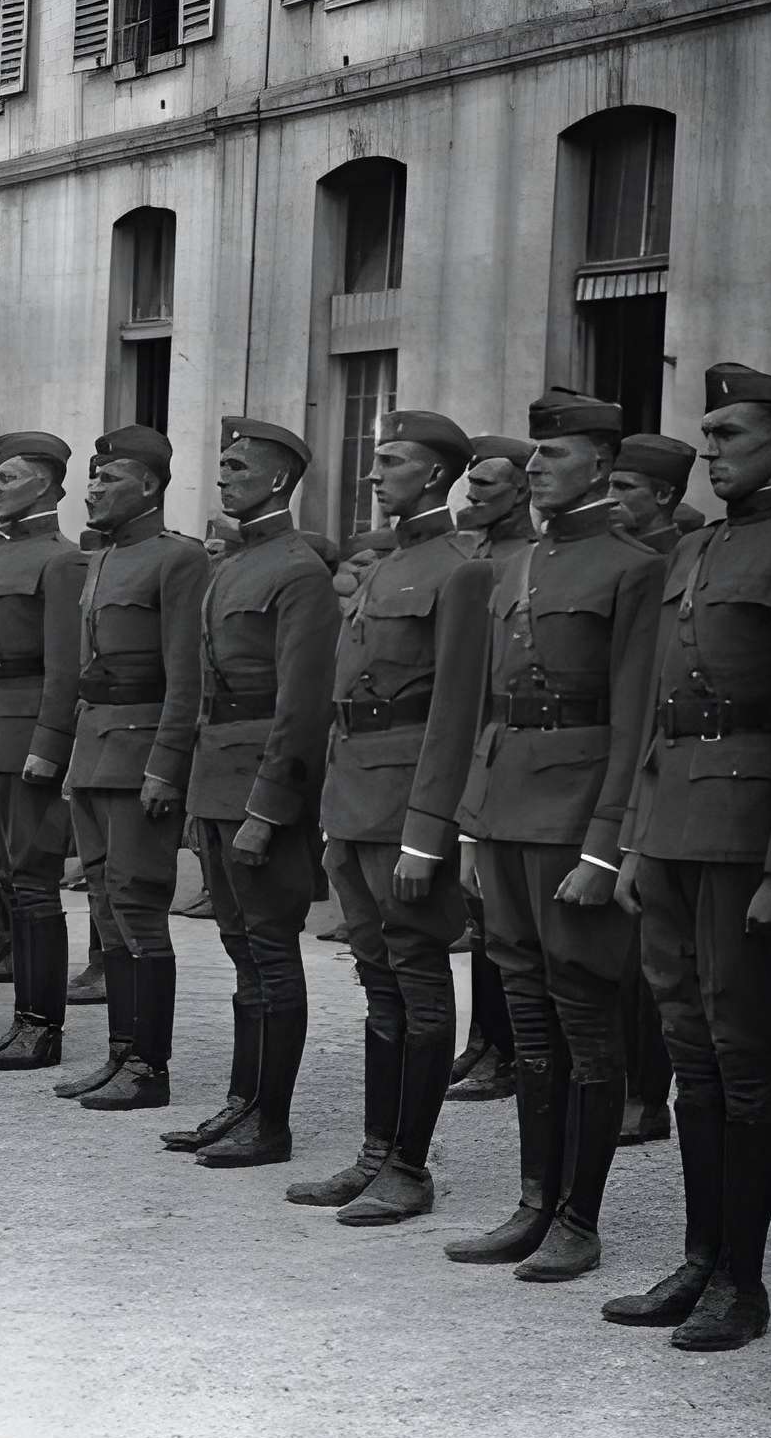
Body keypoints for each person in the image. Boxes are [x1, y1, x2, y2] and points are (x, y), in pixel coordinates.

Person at [604, 367, 771, 1348]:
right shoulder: (693, 548)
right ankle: (699, 1260)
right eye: (703, 433)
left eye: (728, 433)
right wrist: (633, 838)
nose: (709, 449)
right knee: (689, 1056)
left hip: (744, 840)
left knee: (743, 1058)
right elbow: (656, 714)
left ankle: (742, 1282)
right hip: (669, 834)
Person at [443, 390, 660, 1278]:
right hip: (505, 812)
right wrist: (470, 825)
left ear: (602, 464)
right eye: (533, 454)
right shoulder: (516, 565)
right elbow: (487, 708)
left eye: (555, 454)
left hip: (576, 822)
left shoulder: (635, 569)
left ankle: (580, 1217)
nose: (536, 468)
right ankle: (534, 1202)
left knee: (585, 1019)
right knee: (528, 1019)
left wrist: (606, 847)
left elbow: (636, 718)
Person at [293, 412, 492, 1220]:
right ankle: (376, 1154)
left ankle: (410, 1168)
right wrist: (332, 817)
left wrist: (427, 833)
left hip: (406, 807)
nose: (374, 474)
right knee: (379, 986)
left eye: (391, 460)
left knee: (419, 983)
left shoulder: (461, 571)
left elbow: (455, 713)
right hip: (355, 801)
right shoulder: (387, 565)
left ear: (435, 474)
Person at [164, 419, 338, 1164]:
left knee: (270, 953)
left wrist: (267, 810)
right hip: (217, 782)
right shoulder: (234, 564)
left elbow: (300, 708)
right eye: (224, 464)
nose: (223, 476)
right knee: (241, 953)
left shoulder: (299, 572)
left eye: (238, 467)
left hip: (259, 791)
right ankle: (242, 1103)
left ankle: (271, 1123)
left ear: (277, 481)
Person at [55, 425, 209, 1109]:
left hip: (140, 753)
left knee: (139, 907)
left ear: (148, 485)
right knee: (105, 905)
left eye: (108, 478)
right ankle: (120, 1053)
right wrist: (73, 758)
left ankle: (149, 1066)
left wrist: (165, 767)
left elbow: (186, 677)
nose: (93, 490)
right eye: (92, 478)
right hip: (95, 751)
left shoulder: (179, 559)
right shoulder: (102, 558)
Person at [0, 431, 86, 1068]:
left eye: (7, 478)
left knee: (34, 885)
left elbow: (64, 668)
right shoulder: (1, 558)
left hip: (28, 740)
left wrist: (48, 747)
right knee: (6, 877)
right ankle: (20, 1020)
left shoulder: (61, 560)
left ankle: (41, 1025)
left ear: (46, 484)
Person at [603, 428, 703, 1143]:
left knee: (648, 952)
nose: (610, 499)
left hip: (663, 761)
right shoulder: (614, 560)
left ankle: (647, 1091)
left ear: (663, 496)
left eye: (624, 488)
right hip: (609, 755)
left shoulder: (678, 561)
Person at [446, 435, 539, 1101]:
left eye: (486, 485)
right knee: (479, 916)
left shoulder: (526, 561)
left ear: (520, 491)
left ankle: (506, 1049)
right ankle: (482, 1038)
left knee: (504, 918)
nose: (470, 495)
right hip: (464, 750)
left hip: (502, 748)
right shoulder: (471, 555)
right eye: (470, 482)